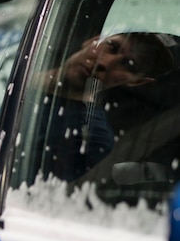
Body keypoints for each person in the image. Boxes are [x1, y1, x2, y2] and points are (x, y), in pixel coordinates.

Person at [31, 32, 174, 181]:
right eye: (111, 46)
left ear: (137, 82)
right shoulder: (14, 62)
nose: (104, 63)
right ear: (93, 40)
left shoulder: (90, 140)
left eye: (128, 64)